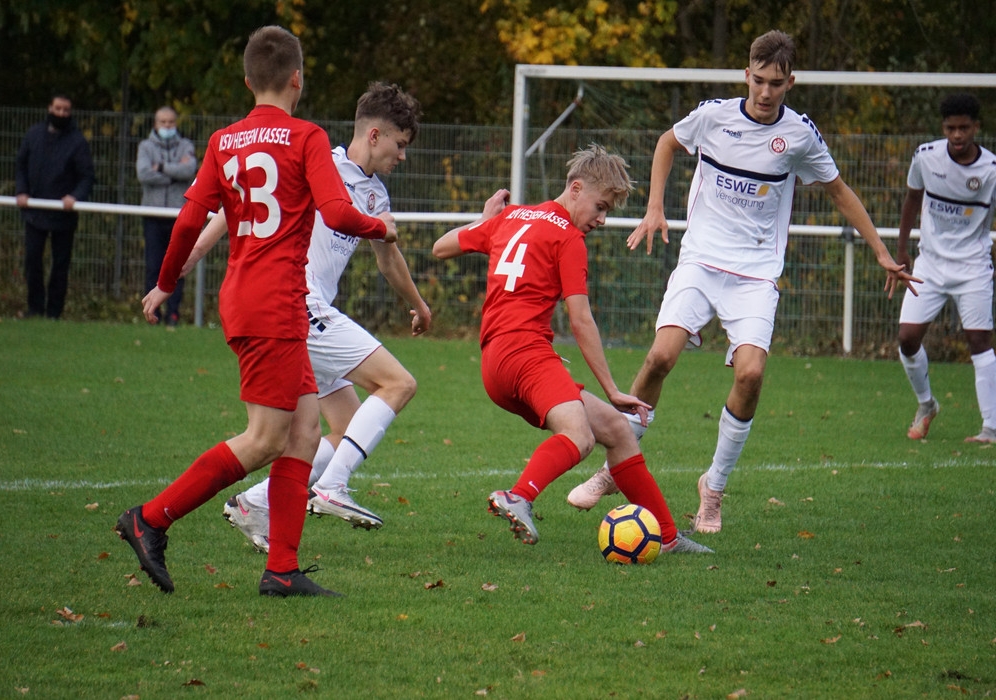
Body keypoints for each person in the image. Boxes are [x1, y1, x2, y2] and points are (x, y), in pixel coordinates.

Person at [566, 30, 920, 535]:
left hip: (755, 274)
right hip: (701, 262)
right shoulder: (713, 116)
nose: (765, 91)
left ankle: (713, 487)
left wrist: (882, 252)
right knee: (660, 358)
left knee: (751, 374)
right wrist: (654, 207)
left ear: (790, 82)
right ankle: (616, 467)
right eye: (758, 80)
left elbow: (839, 191)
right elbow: (668, 142)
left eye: (776, 83)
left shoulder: (799, 135)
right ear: (746, 74)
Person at [114, 26, 397, 598]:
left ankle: (282, 570)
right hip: (273, 301)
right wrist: (379, 225)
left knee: (304, 430)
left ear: (248, 81)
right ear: (298, 78)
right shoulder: (306, 136)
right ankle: (150, 518)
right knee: (266, 436)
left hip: (254, 296)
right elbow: (340, 213)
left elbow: (190, 221)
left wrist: (166, 282)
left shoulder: (223, 141)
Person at [184, 82, 428, 551]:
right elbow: (228, 215)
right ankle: (332, 488)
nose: (402, 156)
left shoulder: (374, 194)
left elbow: (387, 257)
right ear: (374, 135)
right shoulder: (318, 165)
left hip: (311, 315)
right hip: (298, 306)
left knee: (343, 424)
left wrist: (417, 303)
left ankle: (254, 503)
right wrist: (175, 272)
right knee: (398, 384)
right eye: (400, 145)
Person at [432, 144, 711, 553]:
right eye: (600, 207)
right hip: (526, 354)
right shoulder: (567, 237)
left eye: (608, 211)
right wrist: (613, 388)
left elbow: (441, 246)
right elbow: (580, 320)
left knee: (615, 431)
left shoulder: (511, 217)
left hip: (495, 361)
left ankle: (668, 537)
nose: (601, 219)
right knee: (579, 437)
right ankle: (518, 496)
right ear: (575, 188)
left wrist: (486, 219)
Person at [896, 93, 996, 444]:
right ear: (943, 128)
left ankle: (991, 428)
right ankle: (927, 404)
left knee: (979, 341)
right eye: (951, 128)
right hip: (931, 264)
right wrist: (902, 250)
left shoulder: (991, 171)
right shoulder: (926, 157)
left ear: (976, 128)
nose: (957, 135)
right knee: (907, 338)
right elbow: (912, 199)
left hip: (973, 266)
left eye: (964, 128)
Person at [14, 94, 95, 319]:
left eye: (65, 110)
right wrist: (21, 191)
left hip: (63, 214)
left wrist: (75, 197)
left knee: (60, 265)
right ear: (50, 107)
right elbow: (21, 164)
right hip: (35, 211)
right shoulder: (33, 135)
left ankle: (54, 313)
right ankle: (35, 309)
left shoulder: (77, 141)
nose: (61, 114)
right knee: (33, 261)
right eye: (57, 109)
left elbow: (87, 176)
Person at [136, 106, 197, 326]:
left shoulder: (186, 146)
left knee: (177, 265)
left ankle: (173, 314)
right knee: (154, 265)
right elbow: (143, 173)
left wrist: (160, 167)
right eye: (163, 122)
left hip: (177, 215)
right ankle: (154, 313)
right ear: (155, 124)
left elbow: (189, 170)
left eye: (171, 122)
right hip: (152, 215)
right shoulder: (145, 146)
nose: (167, 126)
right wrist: (173, 174)